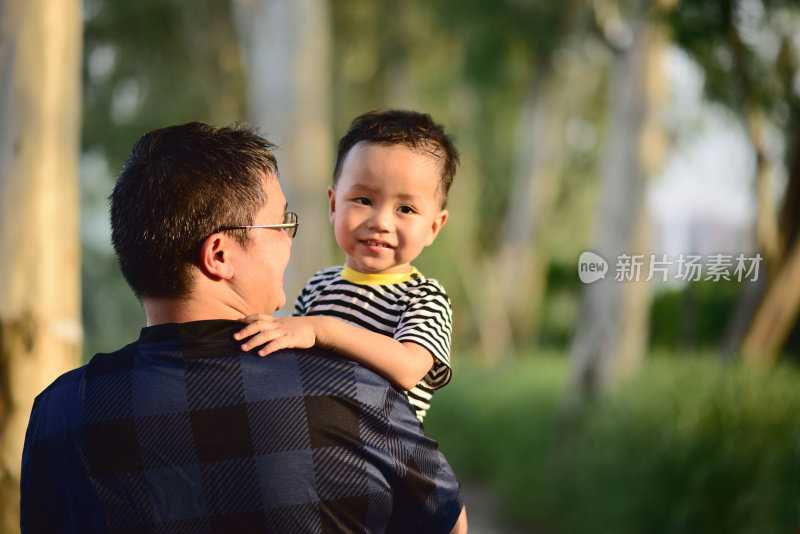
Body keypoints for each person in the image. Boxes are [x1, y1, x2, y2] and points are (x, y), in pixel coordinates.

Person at [20, 122, 467, 533]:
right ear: (219, 255)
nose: (289, 241)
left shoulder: (57, 414)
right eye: (281, 224)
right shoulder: (359, 396)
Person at [234, 109, 457, 423]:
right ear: (334, 205)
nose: (380, 222)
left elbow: (408, 368)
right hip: (316, 442)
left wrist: (322, 329)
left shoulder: (424, 299)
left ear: (434, 227)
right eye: (364, 200)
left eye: (405, 208)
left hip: (385, 455)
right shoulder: (319, 287)